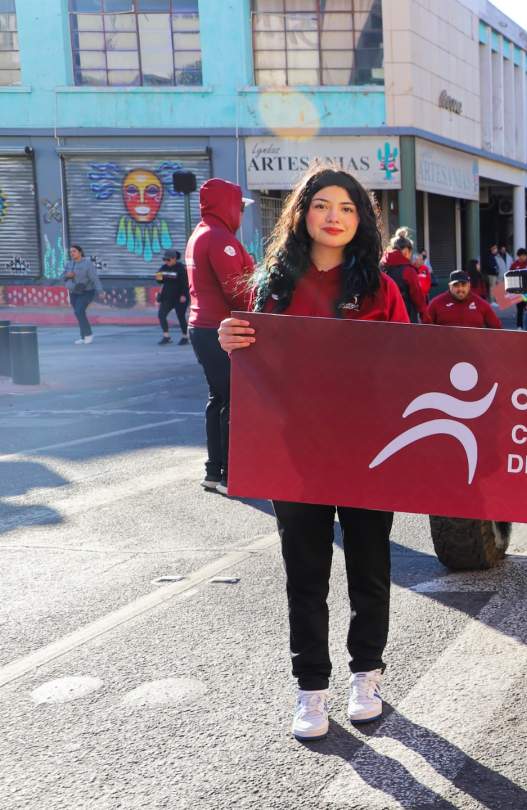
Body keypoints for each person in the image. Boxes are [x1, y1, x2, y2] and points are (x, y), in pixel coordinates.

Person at [215, 165, 409, 742]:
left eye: (347, 208)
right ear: (301, 214)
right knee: (305, 575)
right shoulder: (271, 286)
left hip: (368, 453)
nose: (334, 217)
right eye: (322, 204)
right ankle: (311, 689)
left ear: (361, 220)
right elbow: (257, 371)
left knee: (370, 569)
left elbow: (411, 364)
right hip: (295, 455)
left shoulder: (380, 288)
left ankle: (366, 676)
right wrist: (230, 341)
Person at [186, 178, 255, 494]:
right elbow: (237, 290)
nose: (241, 214)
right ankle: (230, 474)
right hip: (220, 329)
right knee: (234, 402)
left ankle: (215, 471)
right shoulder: (219, 239)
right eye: (240, 207)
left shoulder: (201, 233)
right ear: (229, 206)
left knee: (219, 399)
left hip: (202, 326)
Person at [427, 269, 501, 328]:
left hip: (473, 342)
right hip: (445, 342)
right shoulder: (436, 303)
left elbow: (497, 328)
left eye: (463, 285)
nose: (460, 289)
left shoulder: (481, 304)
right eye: (456, 285)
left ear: (469, 285)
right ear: (450, 286)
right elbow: (425, 328)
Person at [63, 244, 103, 345]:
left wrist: (100, 291)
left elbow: (94, 278)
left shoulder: (87, 264)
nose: (72, 253)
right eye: (70, 252)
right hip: (74, 292)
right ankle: (83, 336)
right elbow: (62, 277)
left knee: (79, 311)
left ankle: (88, 334)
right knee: (78, 313)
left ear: (80, 252)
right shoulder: (69, 264)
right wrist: (67, 275)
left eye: (74, 251)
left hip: (86, 292)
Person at [154, 249, 190, 345]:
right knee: (161, 315)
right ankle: (166, 336)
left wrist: (184, 295)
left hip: (180, 297)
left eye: (168, 260)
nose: (166, 261)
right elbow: (159, 281)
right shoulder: (163, 267)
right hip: (167, 297)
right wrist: (158, 276)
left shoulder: (181, 268)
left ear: (174, 259)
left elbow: (186, 283)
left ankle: (185, 337)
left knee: (181, 316)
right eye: (164, 259)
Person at [509, 248, 527, 328]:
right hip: (518, 291)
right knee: (520, 309)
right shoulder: (514, 265)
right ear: (519, 256)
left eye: (525, 255)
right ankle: (519, 326)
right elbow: (509, 277)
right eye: (522, 255)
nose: (524, 257)